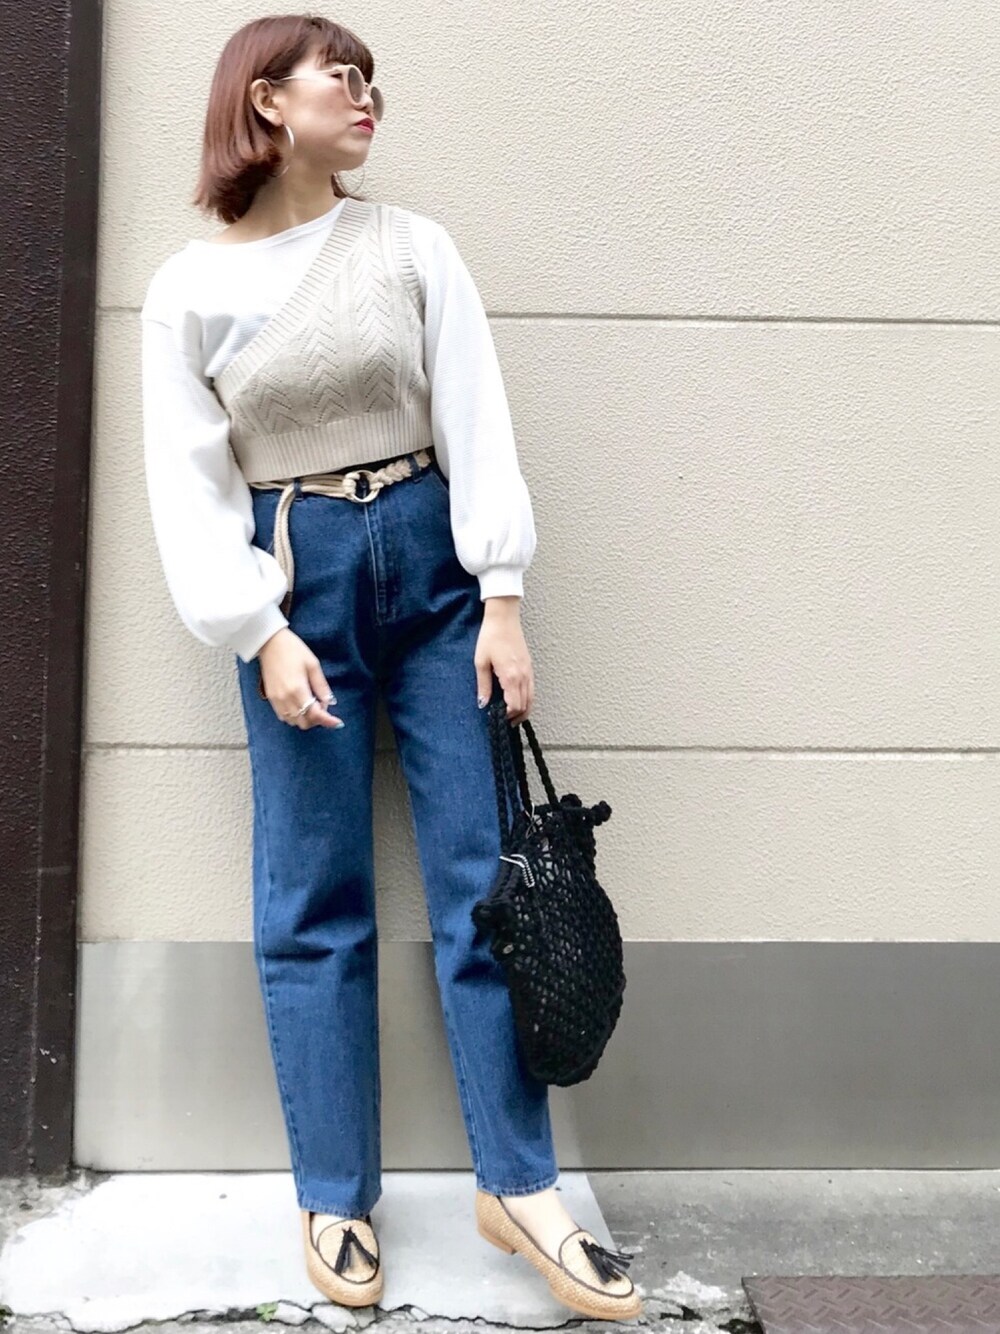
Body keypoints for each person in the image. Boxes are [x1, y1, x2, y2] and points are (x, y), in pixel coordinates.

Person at [139, 13, 642, 1323]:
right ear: (265, 101)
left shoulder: (413, 248)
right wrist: (259, 631)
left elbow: (476, 418)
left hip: (434, 579)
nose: (367, 98)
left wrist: (502, 598)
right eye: (341, 77)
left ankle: (520, 1185)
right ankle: (333, 1193)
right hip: (293, 584)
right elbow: (188, 489)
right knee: (313, 896)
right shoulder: (189, 291)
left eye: (373, 81)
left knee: (486, 886)